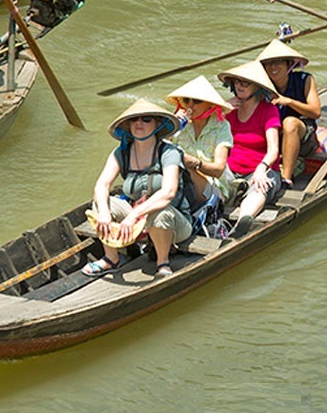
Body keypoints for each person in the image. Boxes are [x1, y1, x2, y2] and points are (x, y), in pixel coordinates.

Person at [81, 100, 192, 279]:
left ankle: (162, 262)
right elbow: (102, 184)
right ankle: (111, 259)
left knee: (160, 214)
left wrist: (133, 215)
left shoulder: (168, 152)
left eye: (146, 119)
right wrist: (104, 213)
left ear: (157, 124)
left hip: (174, 222)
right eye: (134, 120)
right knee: (101, 203)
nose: (139, 123)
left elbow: (168, 193)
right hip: (138, 218)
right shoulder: (122, 152)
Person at [218, 60, 282, 237]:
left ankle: (243, 221)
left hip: (261, 169)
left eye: (246, 82)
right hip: (232, 169)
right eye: (237, 81)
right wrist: (221, 110)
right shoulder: (229, 110)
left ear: (257, 87)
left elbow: (273, 150)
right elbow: (206, 134)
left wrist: (261, 169)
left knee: (261, 186)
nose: (240, 86)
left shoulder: (268, 110)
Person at [256, 38, 322, 190]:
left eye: (278, 62)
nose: (273, 67)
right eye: (269, 63)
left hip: (303, 134)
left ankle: (286, 178)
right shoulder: (263, 88)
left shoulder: (305, 79)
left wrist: (289, 102)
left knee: (290, 122)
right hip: (273, 138)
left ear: (288, 65)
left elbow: (316, 112)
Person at [164, 76, 235, 205]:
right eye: (187, 101)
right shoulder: (181, 125)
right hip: (178, 181)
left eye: (196, 101)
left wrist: (195, 163)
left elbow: (218, 170)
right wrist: (170, 127)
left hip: (212, 187)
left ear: (209, 104)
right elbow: (156, 149)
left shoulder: (221, 127)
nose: (190, 106)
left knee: (182, 170)